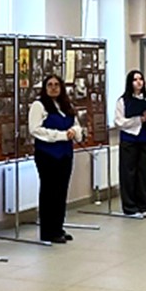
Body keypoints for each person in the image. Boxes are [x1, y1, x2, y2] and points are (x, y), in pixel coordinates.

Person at [29, 75, 83, 243]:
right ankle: (48, 231)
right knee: (49, 192)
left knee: (61, 192)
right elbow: (35, 129)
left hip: (65, 154)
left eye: (56, 85)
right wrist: (60, 135)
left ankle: (58, 227)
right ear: (45, 88)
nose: (53, 88)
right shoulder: (39, 105)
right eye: (50, 85)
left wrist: (74, 131)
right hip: (47, 154)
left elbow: (76, 125)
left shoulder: (66, 105)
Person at [114, 70, 146, 218]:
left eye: (141, 79)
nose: (139, 82)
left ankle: (144, 206)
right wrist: (137, 120)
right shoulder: (123, 101)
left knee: (145, 174)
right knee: (128, 174)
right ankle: (130, 207)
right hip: (129, 141)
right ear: (130, 82)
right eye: (135, 80)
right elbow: (119, 122)